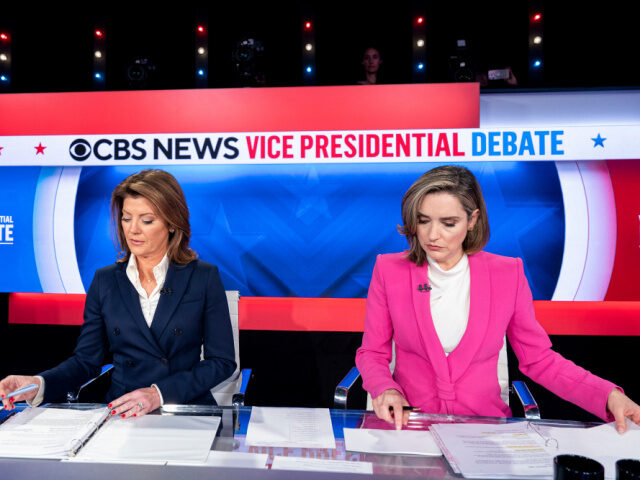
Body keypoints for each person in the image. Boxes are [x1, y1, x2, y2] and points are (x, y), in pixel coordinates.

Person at [355, 165, 640, 432]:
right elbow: (373, 353)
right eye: (423, 221)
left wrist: (607, 395)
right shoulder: (389, 270)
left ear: (472, 220)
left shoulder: (507, 274)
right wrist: (385, 388)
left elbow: (539, 360)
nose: (432, 235)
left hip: (484, 431)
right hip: (409, 428)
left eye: (448, 223)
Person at [0, 169, 236, 418]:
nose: (133, 230)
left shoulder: (203, 276)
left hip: (185, 408)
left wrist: (158, 394)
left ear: (171, 224)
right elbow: (86, 361)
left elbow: (222, 362)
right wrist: (38, 384)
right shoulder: (105, 280)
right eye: (126, 218)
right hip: (123, 412)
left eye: (146, 220)